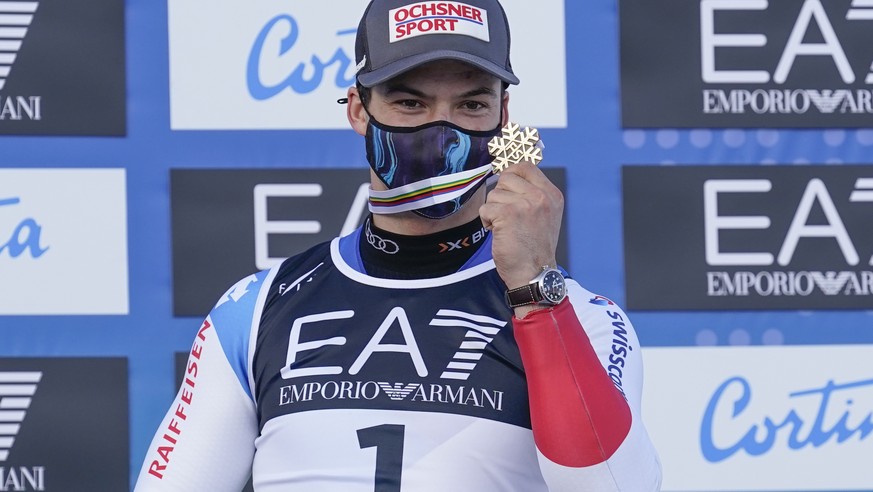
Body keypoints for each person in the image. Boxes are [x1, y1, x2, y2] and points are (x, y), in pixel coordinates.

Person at [135, 0, 662, 490]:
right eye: (410, 102)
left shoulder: (581, 317)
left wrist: (534, 294)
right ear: (358, 111)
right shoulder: (255, 307)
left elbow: (614, 484)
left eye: (471, 104)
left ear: (504, 116)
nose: (442, 129)